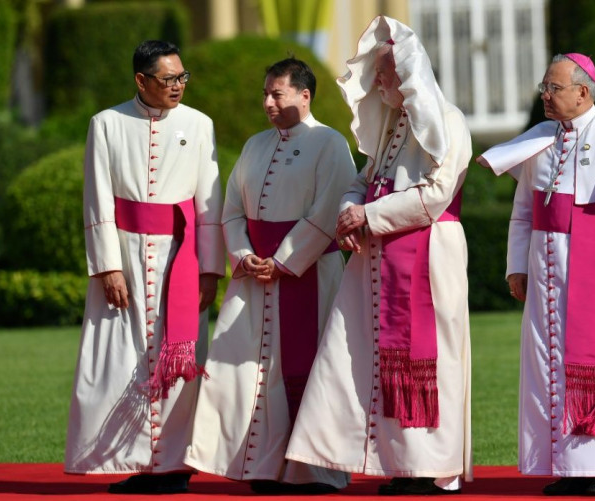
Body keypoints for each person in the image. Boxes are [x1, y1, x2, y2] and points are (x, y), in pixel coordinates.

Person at [285, 16, 473, 496]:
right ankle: (392, 463)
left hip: (428, 257)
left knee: (426, 362)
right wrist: (350, 210)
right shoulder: (391, 126)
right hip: (377, 257)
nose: (378, 82)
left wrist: (367, 216)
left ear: (409, 75)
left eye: (385, 73)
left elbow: (434, 194)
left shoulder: (447, 121)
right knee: (361, 357)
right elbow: (362, 178)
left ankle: (427, 467)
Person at [476, 53, 595, 496]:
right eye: (544, 87)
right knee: (549, 364)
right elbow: (523, 211)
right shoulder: (538, 139)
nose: (545, 95)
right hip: (544, 270)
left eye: (554, 88)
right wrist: (516, 266)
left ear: (583, 92)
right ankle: (567, 468)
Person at [183, 58, 357, 494]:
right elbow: (232, 210)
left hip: (308, 274)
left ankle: (312, 471)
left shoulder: (330, 143)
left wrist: (282, 261)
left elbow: (327, 213)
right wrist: (243, 255)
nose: (267, 102)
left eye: (276, 93)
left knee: (307, 368)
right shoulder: (255, 145)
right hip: (255, 276)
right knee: (252, 372)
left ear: (304, 95)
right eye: (265, 93)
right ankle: (262, 466)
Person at [64, 40, 225, 495]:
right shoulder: (107, 123)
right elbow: (96, 198)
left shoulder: (199, 124)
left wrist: (211, 268)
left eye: (182, 77)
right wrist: (107, 266)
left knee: (181, 357)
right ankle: (133, 461)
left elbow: (209, 202)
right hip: (126, 257)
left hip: (181, 258)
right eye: (168, 79)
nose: (177, 86)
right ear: (141, 80)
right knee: (121, 358)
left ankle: (175, 465)